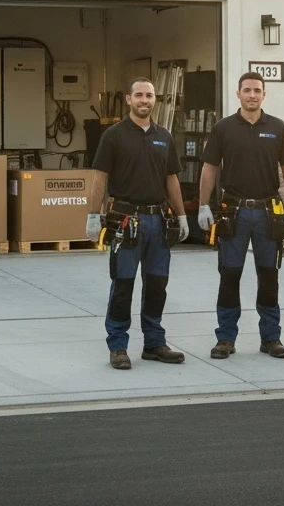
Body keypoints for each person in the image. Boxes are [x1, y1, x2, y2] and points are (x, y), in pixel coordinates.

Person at [198, 72, 284, 359]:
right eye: (247, 90)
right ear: (238, 93)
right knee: (229, 275)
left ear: (264, 94)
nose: (252, 94)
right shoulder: (223, 128)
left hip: (268, 212)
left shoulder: (278, 128)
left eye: (257, 90)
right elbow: (209, 167)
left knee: (269, 276)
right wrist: (204, 204)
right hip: (234, 212)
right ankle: (225, 339)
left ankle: (271, 338)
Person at [89, 77, 190, 370]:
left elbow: (172, 178)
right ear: (129, 99)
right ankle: (118, 346)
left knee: (157, 284)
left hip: (159, 221)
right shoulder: (114, 135)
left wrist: (181, 215)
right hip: (126, 220)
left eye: (149, 96)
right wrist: (93, 216)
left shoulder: (164, 136)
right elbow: (100, 178)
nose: (145, 100)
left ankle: (154, 343)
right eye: (140, 95)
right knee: (123, 284)